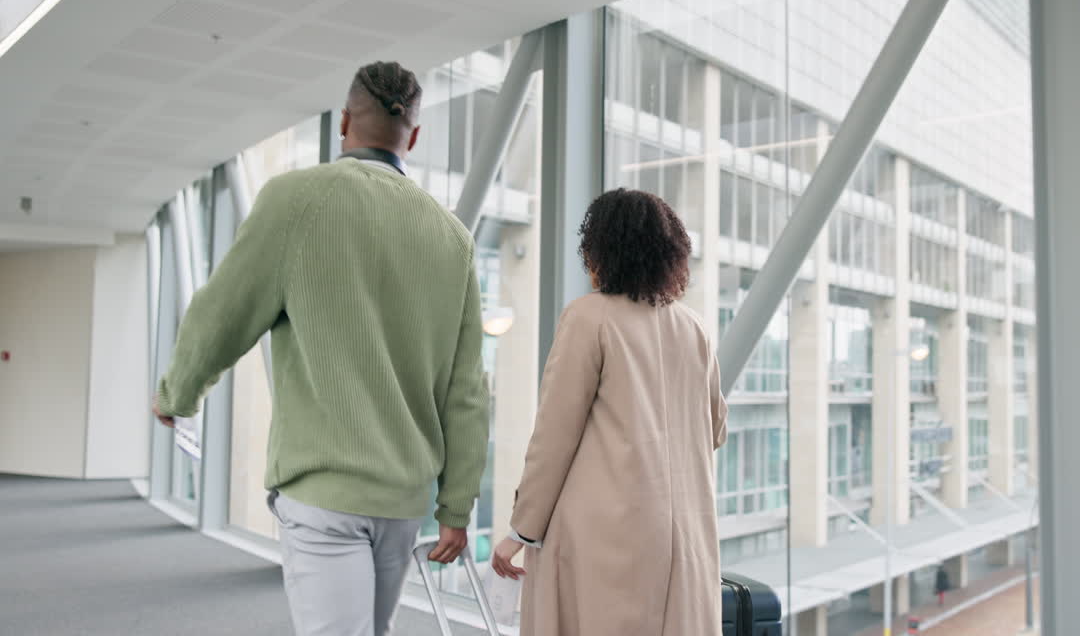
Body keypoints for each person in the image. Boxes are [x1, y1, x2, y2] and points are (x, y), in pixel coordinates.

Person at [152, 62, 490, 636]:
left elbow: (222, 312)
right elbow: (467, 391)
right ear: (412, 137)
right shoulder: (451, 237)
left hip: (322, 492)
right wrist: (456, 506)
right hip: (403, 500)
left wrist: (177, 394)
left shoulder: (295, 200)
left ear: (342, 124)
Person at [490, 188, 729, 635]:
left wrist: (520, 532)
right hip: (684, 539)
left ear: (600, 250)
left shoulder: (589, 317)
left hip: (602, 535)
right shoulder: (693, 326)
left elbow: (554, 438)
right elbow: (715, 428)